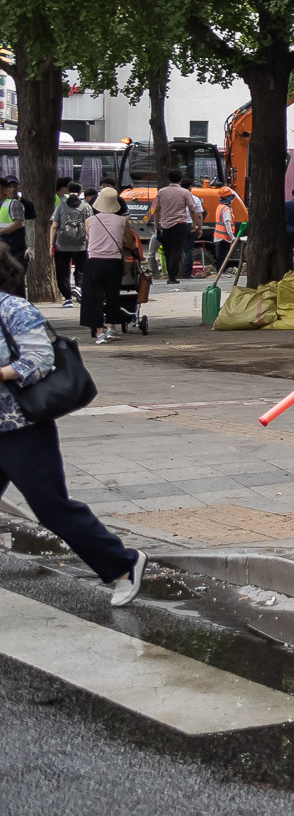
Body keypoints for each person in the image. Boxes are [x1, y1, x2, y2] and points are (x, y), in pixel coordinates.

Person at [0, 247, 147, 605]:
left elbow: (40, 359)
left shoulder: (14, 309)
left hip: (20, 428)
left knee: (50, 507)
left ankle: (124, 564)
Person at [80, 189, 135, 343]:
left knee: (94, 297)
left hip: (94, 262)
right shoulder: (123, 221)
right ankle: (112, 327)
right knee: (113, 295)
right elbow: (130, 243)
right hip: (114, 262)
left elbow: (89, 239)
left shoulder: (89, 221)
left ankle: (99, 332)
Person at [152, 173, 199, 282]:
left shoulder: (161, 192)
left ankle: (170, 275)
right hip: (180, 224)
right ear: (180, 180)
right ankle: (173, 276)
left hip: (165, 225)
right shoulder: (185, 192)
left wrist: (157, 223)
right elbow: (192, 209)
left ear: (169, 179)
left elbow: (157, 209)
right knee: (176, 250)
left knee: (167, 251)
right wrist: (194, 223)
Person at [49, 179, 86, 304]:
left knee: (62, 271)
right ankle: (78, 287)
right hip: (81, 245)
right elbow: (90, 226)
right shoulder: (86, 207)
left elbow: (54, 226)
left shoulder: (61, 205)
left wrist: (51, 245)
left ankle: (67, 298)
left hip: (62, 245)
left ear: (68, 191)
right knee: (81, 269)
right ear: (80, 192)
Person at [0, 177, 25, 267]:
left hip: (13, 248)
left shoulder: (13, 203)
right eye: (10, 186)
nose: (12, 189)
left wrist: (1, 231)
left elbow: (18, 223)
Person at [210, 197, 238, 275]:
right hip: (224, 237)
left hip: (219, 236)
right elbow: (227, 223)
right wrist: (232, 237)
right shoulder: (226, 209)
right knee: (224, 256)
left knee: (220, 255)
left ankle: (220, 271)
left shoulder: (219, 207)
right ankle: (222, 271)